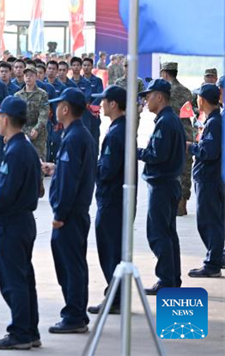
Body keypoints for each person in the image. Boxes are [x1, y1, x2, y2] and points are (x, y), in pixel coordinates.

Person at [0, 96, 42, 350]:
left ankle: (20, 332)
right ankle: (29, 330)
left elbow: (9, 192)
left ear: (5, 119)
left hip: (14, 224)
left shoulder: (15, 150)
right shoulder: (24, 147)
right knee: (24, 279)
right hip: (22, 220)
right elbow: (18, 186)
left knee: (13, 281)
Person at [42, 88, 97, 334]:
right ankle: (76, 312)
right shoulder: (77, 135)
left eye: (57, 105)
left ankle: (74, 314)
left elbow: (70, 183)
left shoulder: (74, 137)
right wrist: (56, 168)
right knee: (73, 264)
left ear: (65, 108)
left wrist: (59, 215)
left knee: (71, 265)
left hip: (70, 215)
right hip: (75, 212)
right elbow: (71, 172)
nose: (54, 110)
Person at [137, 79, 185, 294]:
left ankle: (166, 279)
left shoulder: (166, 122)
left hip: (162, 184)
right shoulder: (168, 119)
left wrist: (135, 151)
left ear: (159, 96)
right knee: (167, 233)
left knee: (158, 233)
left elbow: (157, 154)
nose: (146, 100)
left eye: (149, 95)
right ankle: (172, 278)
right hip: (168, 184)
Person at [87, 85, 130, 315]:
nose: (101, 104)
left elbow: (108, 169)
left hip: (112, 199)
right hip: (116, 198)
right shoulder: (120, 128)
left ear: (113, 104)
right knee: (114, 248)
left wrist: (90, 170)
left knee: (110, 249)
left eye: (104, 101)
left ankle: (115, 299)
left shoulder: (116, 132)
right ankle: (116, 296)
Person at [187, 83, 223, 278]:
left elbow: (209, 152)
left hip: (209, 178)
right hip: (208, 177)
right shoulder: (213, 120)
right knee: (213, 220)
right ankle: (216, 258)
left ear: (202, 100)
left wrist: (191, 147)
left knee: (209, 221)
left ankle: (212, 264)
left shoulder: (214, 122)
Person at [159, 62, 195, 216]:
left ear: (165, 74)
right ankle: (183, 204)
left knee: (169, 166)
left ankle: (171, 203)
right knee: (186, 169)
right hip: (186, 132)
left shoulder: (164, 92)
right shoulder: (187, 92)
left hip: (170, 133)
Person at [15, 66, 50, 160]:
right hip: (22, 132)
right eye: (26, 75)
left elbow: (44, 113)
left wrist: (37, 129)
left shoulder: (42, 94)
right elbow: (15, 115)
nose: (28, 77)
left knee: (38, 161)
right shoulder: (17, 95)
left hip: (38, 134)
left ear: (36, 77)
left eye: (31, 75)